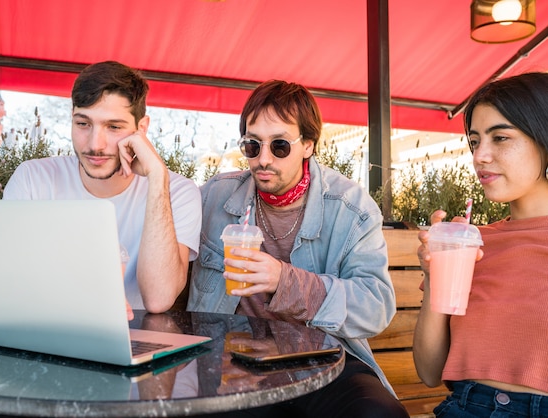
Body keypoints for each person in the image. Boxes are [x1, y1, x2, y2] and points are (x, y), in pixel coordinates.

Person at [188, 80, 409, 417]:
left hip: (322, 362)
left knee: (378, 414)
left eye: (279, 146)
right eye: (252, 145)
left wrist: (285, 281)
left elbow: (374, 307)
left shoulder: (350, 208)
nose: (262, 159)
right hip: (234, 363)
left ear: (308, 144)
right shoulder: (214, 198)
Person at [3, 61, 201, 315]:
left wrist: (156, 177)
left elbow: (158, 299)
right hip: (48, 333)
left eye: (114, 127)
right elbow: (13, 285)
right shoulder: (32, 179)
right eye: (83, 124)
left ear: (141, 129)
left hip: (137, 339)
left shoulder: (179, 192)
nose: (95, 144)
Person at [413, 72, 548, 417]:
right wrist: (434, 277)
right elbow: (429, 372)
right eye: (474, 142)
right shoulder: (471, 245)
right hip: (465, 406)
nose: (480, 156)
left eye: (500, 137)